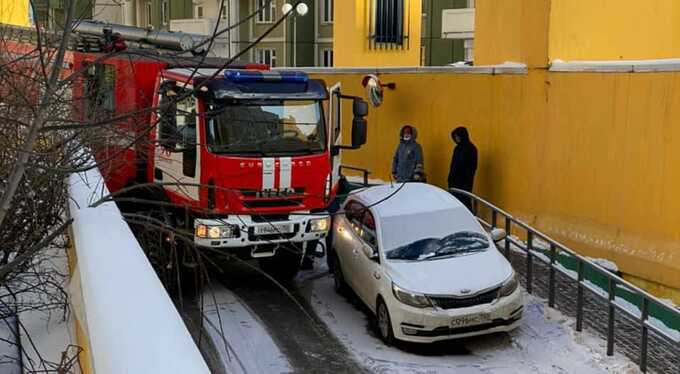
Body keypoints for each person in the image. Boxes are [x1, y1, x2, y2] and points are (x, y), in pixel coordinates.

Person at [448, 126, 478, 211]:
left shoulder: (471, 149)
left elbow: (472, 166)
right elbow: (453, 164)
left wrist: (467, 181)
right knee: (455, 202)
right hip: (454, 181)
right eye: (455, 137)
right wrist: (450, 178)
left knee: (465, 201)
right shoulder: (457, 148)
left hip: (465, 181)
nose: (456, 139)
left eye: (458, 136)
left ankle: (469, 220)